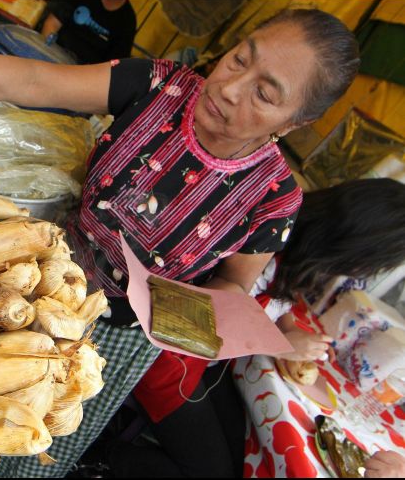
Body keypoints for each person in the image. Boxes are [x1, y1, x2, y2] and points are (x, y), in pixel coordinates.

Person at [0, 8, 360, 478]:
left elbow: (234, 286)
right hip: (23, 281)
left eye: (265, 95)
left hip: (111, 344)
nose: (230, 89)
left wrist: (174, 307)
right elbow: (36, 80)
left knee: (18, 445)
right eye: (239, 59)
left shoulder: (274, 199)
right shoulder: (159, 85)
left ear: (293, 124)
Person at [122, 177, 405, 477]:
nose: (362, 272)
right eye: (370, 263)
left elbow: (274, 298)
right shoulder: (269, 240)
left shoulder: (298, 250)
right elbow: (214, 313)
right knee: (214, 471)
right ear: (354, 245)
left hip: (200, 363)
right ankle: (108, 457)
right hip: (167, 359)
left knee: (243, 452)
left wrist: (289, 330)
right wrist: (283, 343)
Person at [40, 0, 137, 64]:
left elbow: (113, 66)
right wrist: (45, 54)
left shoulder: (128, 21)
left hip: (82, 75)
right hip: (53, 54)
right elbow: (51, 24)